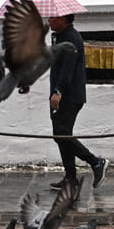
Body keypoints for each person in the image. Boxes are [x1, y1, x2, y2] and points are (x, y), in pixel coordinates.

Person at [47, 13, 107, 188]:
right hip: (61, 94)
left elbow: (68, 70)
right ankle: (70, 177)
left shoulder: (71, 39)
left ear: (63, 19)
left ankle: (96, 162)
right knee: (62, 135)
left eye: (52, 17)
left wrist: (58, 91)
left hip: (69, 95)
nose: (48, 21)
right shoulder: (61, 38)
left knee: (61, 133)